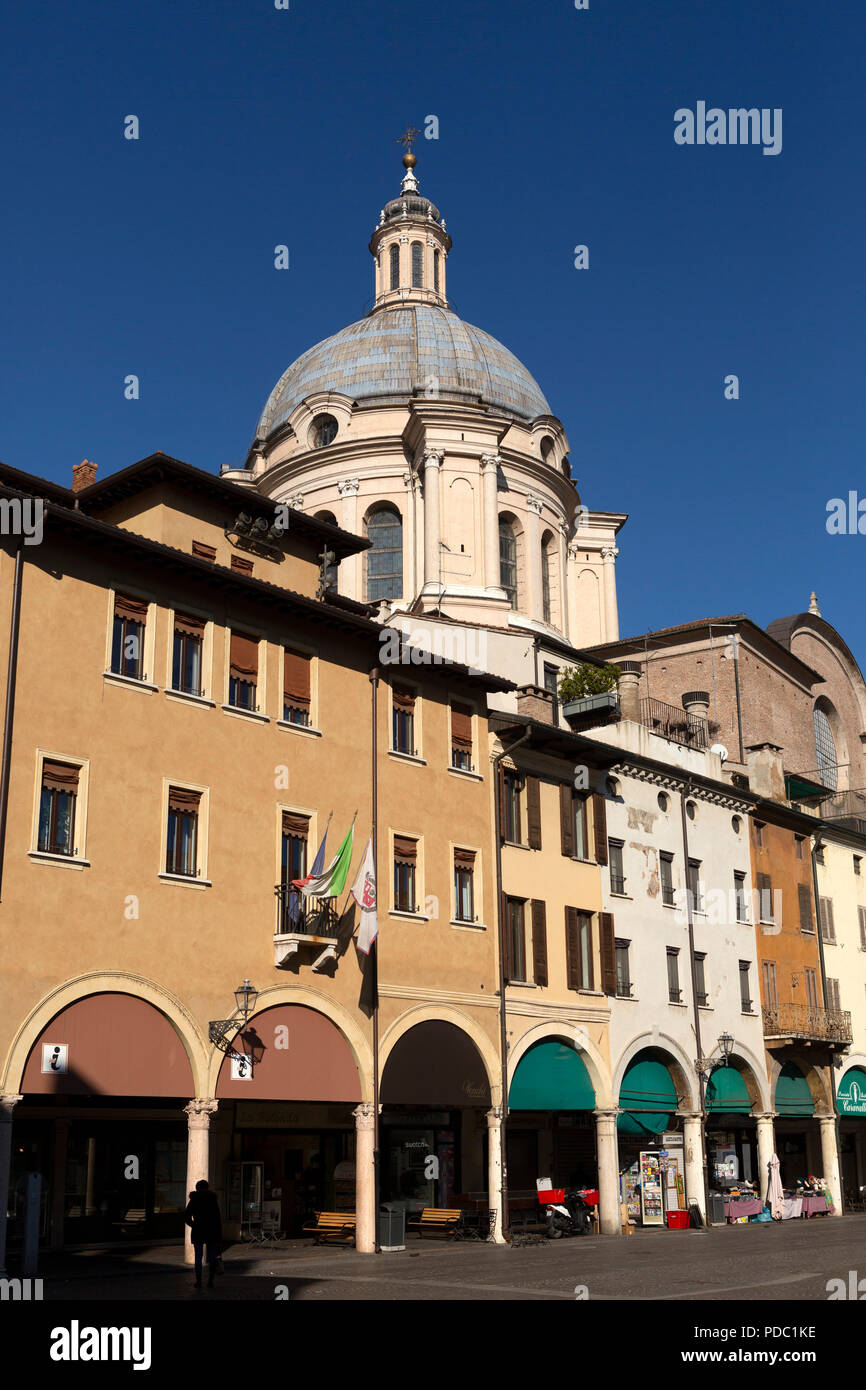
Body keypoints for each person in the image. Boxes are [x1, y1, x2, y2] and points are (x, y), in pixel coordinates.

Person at [184, 1180, 223, 1289]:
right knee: (212, 1257)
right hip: (212, 1231)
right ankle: (210, 1281)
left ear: (197, 1188)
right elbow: (217, 1218)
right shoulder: (213, 1199)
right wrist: (219, 1234)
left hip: (198, 1231)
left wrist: (194, 1224)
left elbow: (187, 1216)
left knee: (198, 1257)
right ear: (207, 1187)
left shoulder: (194, 1199)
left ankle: (199, 1281)